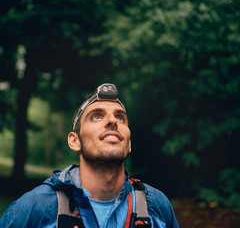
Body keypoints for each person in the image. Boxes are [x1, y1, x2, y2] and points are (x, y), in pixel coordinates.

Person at [0, 83, 179, 228]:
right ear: (74, 141)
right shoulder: (33, 208)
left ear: (129, 143)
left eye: (120, 117)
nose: (112, 121)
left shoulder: (155, 205)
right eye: (96, 116)